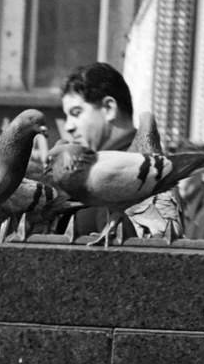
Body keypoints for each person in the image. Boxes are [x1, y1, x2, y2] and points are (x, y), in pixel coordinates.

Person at [59, 61, 183, 238]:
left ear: (109, 108)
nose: (69, 126)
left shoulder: (129, 169)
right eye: (67, 116)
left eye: (76, 112)